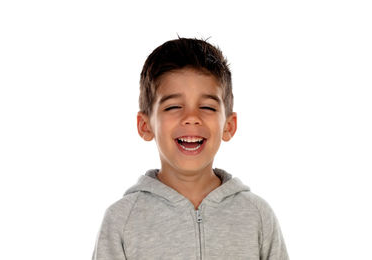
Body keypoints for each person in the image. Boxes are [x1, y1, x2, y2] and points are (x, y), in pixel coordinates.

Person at [92, 37, 289, 260]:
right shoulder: (122, 219)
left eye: (206, 107)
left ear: (229, 126)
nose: (191, 118)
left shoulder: (258, 216)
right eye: (174, 106)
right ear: (145, 126)